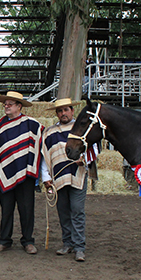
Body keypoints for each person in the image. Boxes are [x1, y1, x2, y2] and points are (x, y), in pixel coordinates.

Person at [0, 91, 46, 255]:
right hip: (6, 172)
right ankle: (4, 240)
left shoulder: (31, 124)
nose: (6, 106)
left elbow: (41, 142)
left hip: (25, 175)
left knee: (27, 209)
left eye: (10, 104)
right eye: (5, 104)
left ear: (19, 106)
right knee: (6, 209)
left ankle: (28, 241)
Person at [41, 98, 90, 262]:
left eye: (66, 110)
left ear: (72, 111)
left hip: (77, 175)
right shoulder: (49, 133)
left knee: (76, 210)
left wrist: (85, 159)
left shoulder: (82, 129)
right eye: (60, 111)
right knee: (63, 211)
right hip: (58, 179)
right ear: (57, 113)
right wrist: (46, 178)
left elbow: (93, 149)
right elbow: (45, 156)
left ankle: (79, 247)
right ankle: (67, 243)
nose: (63, 113)